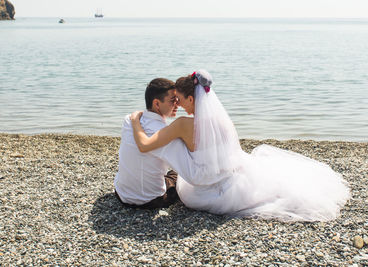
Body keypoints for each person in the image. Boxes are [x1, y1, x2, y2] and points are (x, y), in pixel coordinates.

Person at [130, 70, 351, 221]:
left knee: (174, 147)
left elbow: (145, 144)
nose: (177, 103)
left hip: (202, 194)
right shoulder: (223, 122)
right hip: (232, 183)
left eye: (179, 98)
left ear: (191, 98)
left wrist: (134, 121)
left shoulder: (181, 125)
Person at [114, 78, 180, 209]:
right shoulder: (163, 132)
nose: (177, 104)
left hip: (121, 195)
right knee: (179, 174)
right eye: (173, 100)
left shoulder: (129, 120)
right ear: (156, 103)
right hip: (151, 199)